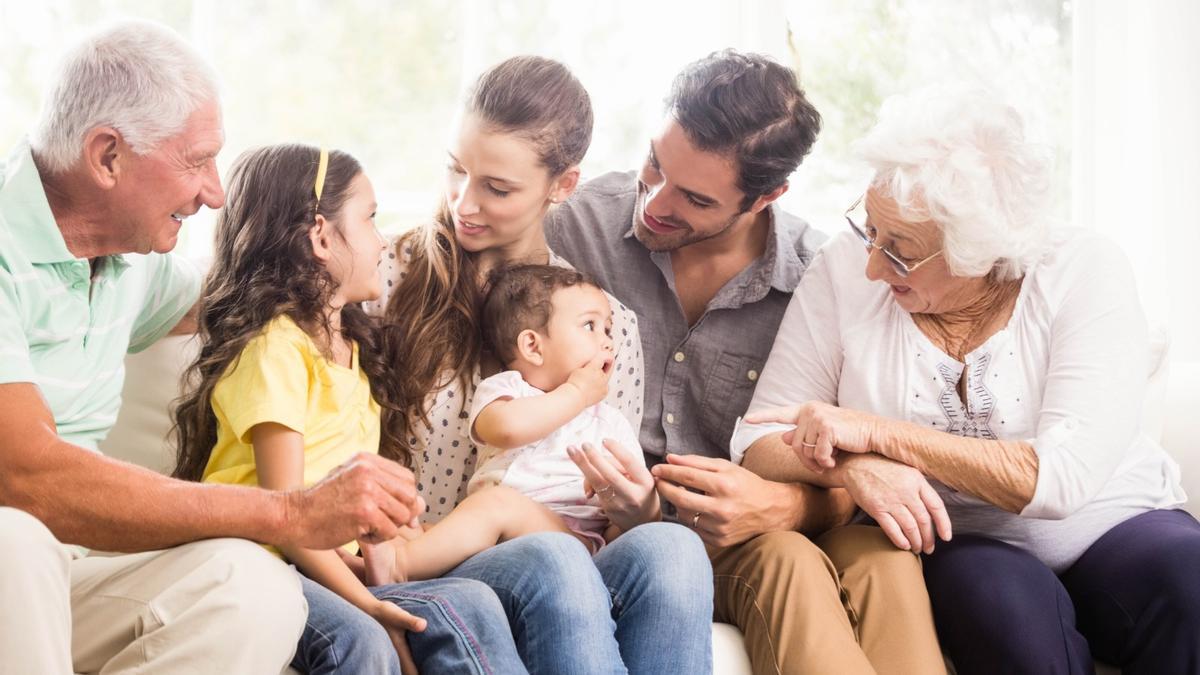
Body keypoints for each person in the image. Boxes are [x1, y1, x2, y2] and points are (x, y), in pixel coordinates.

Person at [0, 21, 430, 674]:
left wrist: (373, 255)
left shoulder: (125, 260)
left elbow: (246, 287)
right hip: (14, 548)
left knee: (253, 587)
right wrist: (289, 511)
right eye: (196, 161)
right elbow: (28, 477)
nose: (214, 192)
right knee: (15, 540)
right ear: (107, 155)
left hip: (69, 568)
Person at [735, 84, 1199, 674]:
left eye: (901, 250)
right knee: (1008, 614)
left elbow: (1060, 479)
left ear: (980, 253)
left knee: (1190, 583)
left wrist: (876, 433)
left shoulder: (1084, 269)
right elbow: (754, 439)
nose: (874, 265)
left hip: (1115, 522)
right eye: (870, 230)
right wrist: (855, 466)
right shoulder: (845, 271)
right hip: (959, 539)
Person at [546, 49, 947, 674]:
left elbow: (848, 465)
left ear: (768, 197)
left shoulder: (820, 279)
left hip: (749, 530)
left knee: (881, 556)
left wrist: (792, 505)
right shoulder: (575, 227)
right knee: (786, 559)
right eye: (654, 162)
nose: (654, 202)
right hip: (630, 537)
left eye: (696, 200)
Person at [369, 56, 713, 673]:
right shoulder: (380, 276)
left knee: (673, 547)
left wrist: (637, 509)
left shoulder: (606, 325)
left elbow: (605, 503)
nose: (462, 203)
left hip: (561, 550)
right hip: (438, 559)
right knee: (554, 561)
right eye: (455, 169)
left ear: (563, 186)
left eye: (497, 188)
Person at [171, 143, 526, 674]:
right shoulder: (276, 349)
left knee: (471, 602)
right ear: (320, 236)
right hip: (265, 559)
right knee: (361, 641)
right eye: (371, 219)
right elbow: (286, 515)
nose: (383, 241)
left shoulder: (353, 349)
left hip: (326, 562)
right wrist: (369, 605)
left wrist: (381, 572)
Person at [365, 264, 653, 585]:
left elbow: (626, 514)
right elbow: (505, 429)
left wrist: (627, 505)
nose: (607, 343)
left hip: (574, 539)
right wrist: (577, 394)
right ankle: (385, 561)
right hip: (497, 536)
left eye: (608, 330)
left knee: (496, 505)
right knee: (424, 528)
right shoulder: (507, 389)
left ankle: (399, 567)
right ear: (533, 346)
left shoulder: (609, 421)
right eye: (590, 325)